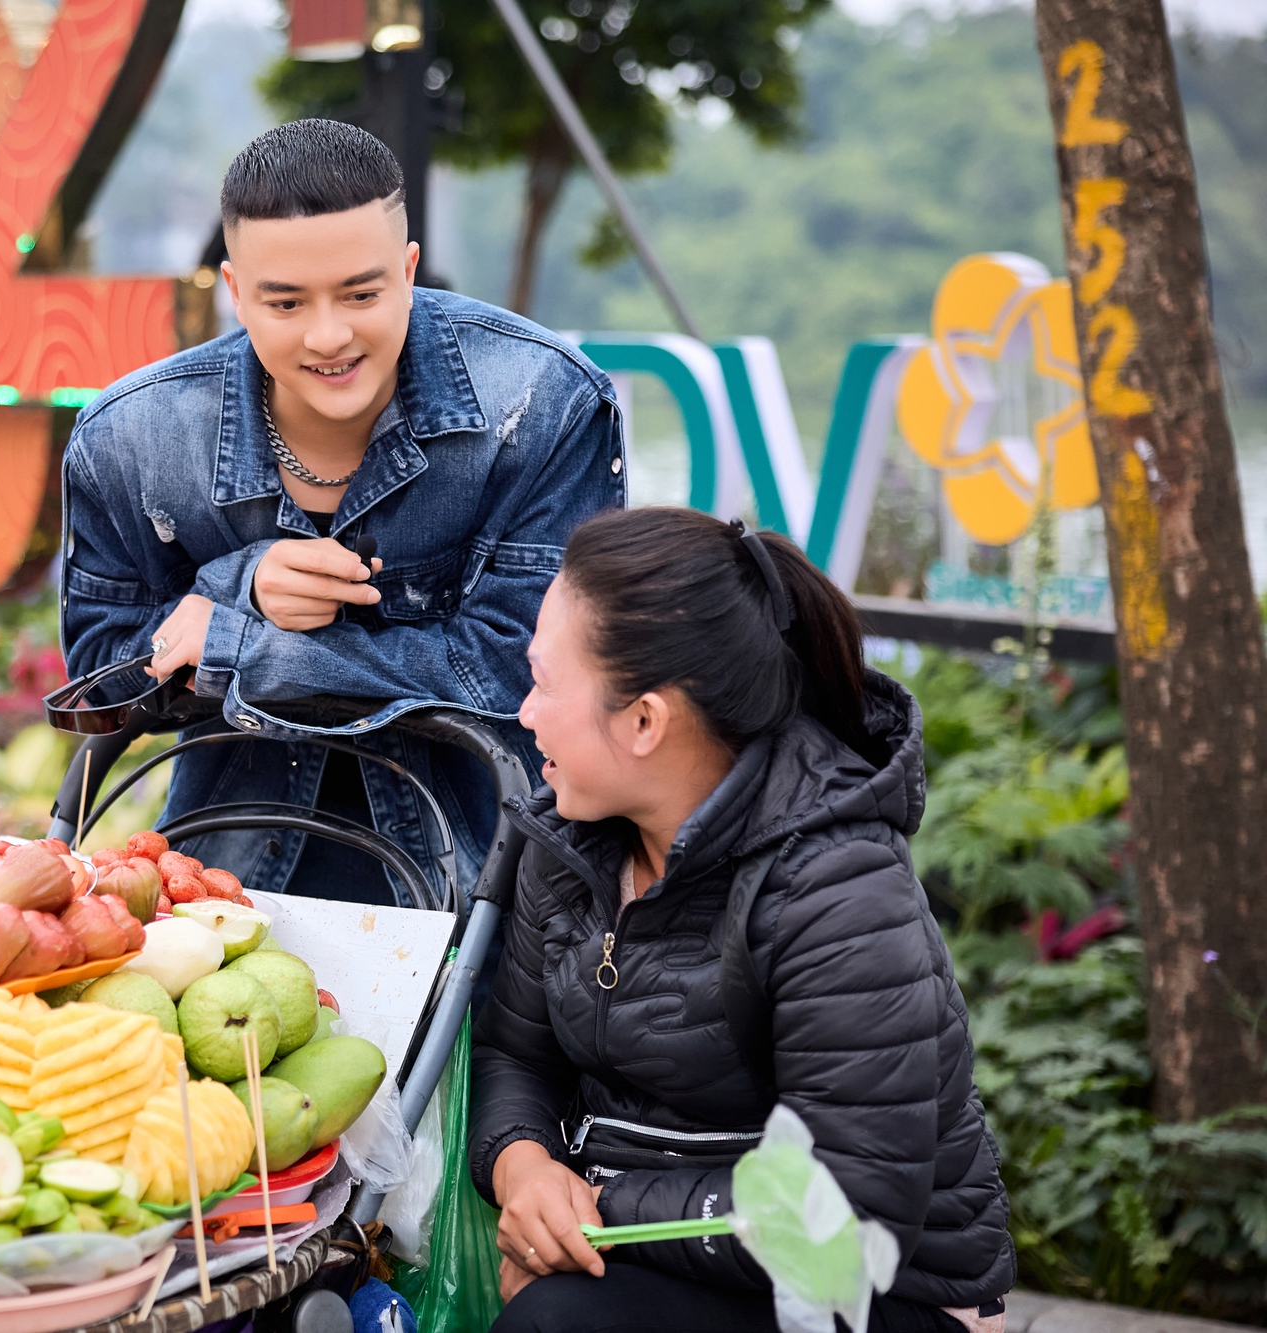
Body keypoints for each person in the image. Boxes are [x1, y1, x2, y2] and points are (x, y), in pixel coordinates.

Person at [470, 507, 1014, 1332]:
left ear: (646, 720)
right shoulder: (573, 836)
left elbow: (841, 1208)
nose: (525, 711)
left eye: (545, 681)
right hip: (679, 1244)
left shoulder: (839, 887)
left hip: (876, 1289)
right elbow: (516, 1050)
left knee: (558, 1322)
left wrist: (597, 1210)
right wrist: (525, 1168)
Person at [59, 119, 620, 902]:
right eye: (285, 303)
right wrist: (239, 582)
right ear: (234, 293)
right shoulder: (135, 436)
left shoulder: (539, 403)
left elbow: (523, 670)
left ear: (410, 268)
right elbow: (99, 677)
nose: (329, 336)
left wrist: (246, 646)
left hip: (489, 886)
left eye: (362, 293)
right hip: (225, 883)